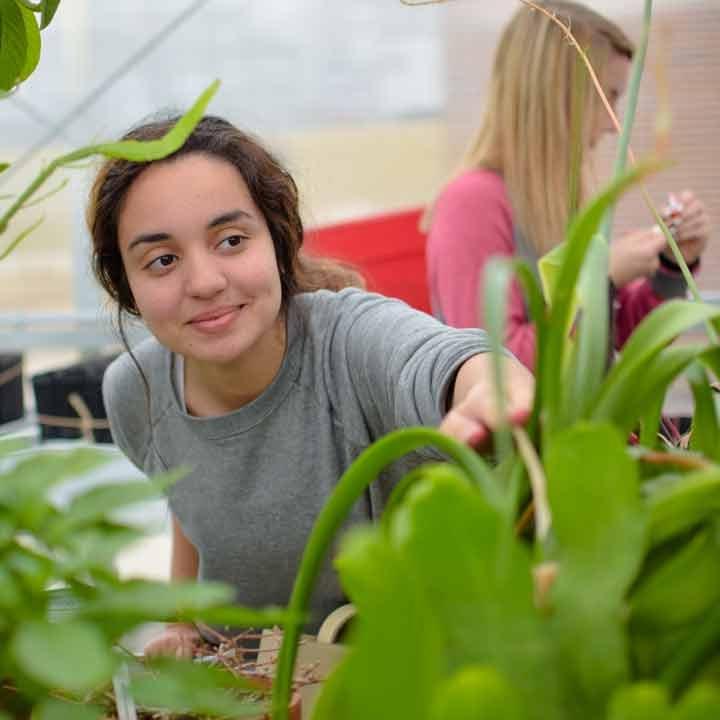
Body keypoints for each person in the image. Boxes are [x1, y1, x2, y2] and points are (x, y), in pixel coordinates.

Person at [88, 115, 534, 657]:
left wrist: (495, 384)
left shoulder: (348, 343)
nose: (204, 282)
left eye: (231, 240)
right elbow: (188, 497)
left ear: (277, 242)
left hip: (391, 673)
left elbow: (442, 358)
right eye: (162, 260)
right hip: (239, 681)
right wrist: (183, 620)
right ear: (127, 286)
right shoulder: (135, 389)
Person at [426, 0, 711, 371]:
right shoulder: (472, 204)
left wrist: (673, 266)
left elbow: (616, 338)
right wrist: (601, 279)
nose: (613, 125)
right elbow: (494, 372)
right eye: (608, 97)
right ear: (555, 94)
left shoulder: (562, 199)